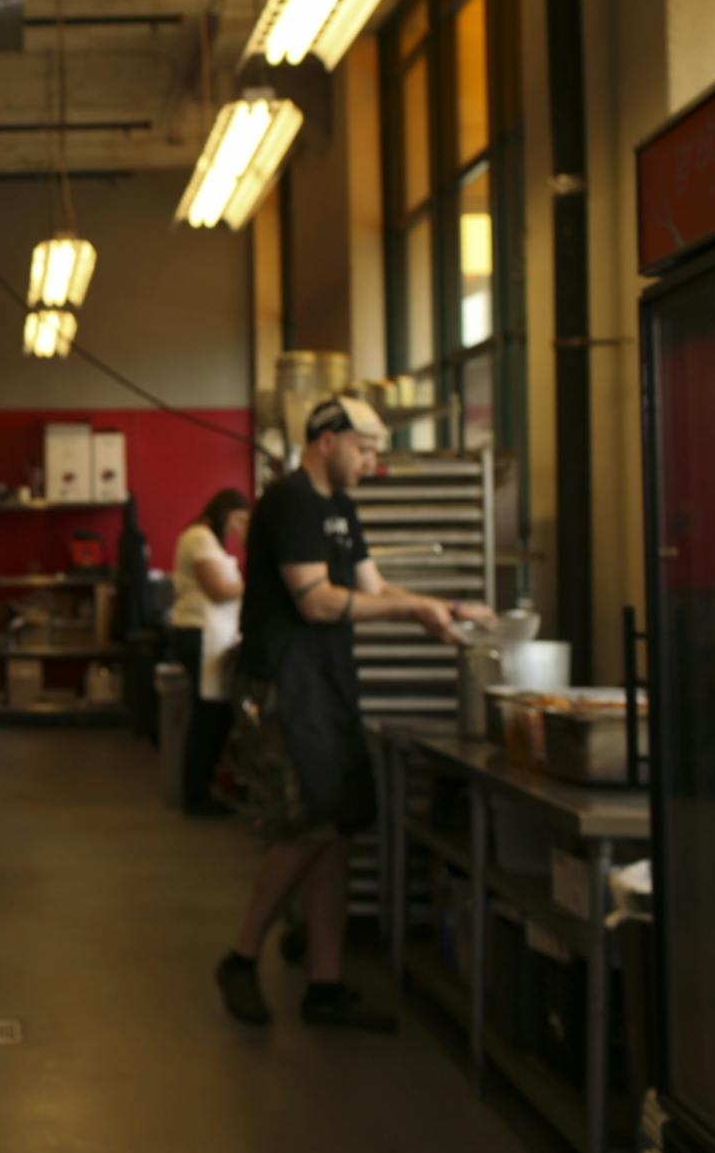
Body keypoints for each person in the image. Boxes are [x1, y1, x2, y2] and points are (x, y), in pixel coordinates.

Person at [213, 396, 495, 1032]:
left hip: (330, 682)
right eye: (365, 449)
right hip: (285, 684)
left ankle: (326, 982)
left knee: (337, 826)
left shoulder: (341, 507)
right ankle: (241, 956)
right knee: (306, 827)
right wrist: (412, 613)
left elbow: (371, 589)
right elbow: (315, 602)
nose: (372, 462)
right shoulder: (289, 503)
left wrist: (443, 606)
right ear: (327, 441)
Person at [168, 489, 251, 815]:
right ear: (225, 511)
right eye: (239, 519)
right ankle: (196, 794)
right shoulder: (199, 537)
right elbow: (218, 590)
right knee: (206, 717)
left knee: (215, 716)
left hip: (214, 635)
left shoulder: (209, 540)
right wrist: (259, 582)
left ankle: (204, 789)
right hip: (199, 633)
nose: (240, 526)